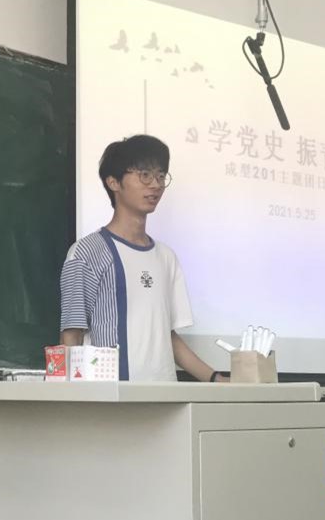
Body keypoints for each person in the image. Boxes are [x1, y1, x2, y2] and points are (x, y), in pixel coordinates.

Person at [59, 135, 223, 382]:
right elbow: (71, 336)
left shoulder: (166, 257)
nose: (155, 185)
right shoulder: (86, 252)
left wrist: (216, 379)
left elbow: (167, 338)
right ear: (113, 182)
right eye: (145, 175)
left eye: (160, 176)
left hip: (166, 398)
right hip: (113, 398)